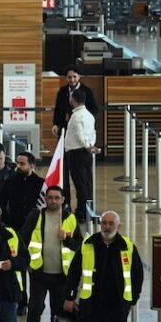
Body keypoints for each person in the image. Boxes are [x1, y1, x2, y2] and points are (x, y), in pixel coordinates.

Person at [21, 186, 82, 322]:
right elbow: (23, 239)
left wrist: (67, 238)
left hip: (62, 275)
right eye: (50, 198)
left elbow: (79, 245)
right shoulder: (36, 216)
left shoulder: (70, 219)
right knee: (35, 308)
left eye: (57, 198)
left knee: (58, 311)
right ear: (45, 199)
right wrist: (27, 262)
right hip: (39, 272)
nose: (53, 201)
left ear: (63, 199)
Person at [64, 89, 98, 223]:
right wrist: (90, 145)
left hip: (77, 152)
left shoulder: (76, 116)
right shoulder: (89, 115)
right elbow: (92, 132)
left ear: (73, 100)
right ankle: (87, 209)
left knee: (80, 184)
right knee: (87, 183)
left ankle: (82, 212)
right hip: (86, 152)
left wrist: (86, 145)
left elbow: (79, 133)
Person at [0, 151, 44, 231]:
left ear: (31, 166)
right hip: (14, 226)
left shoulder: (41, 183)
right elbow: (1, 203)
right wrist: (5, 221)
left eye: (22, 164)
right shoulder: (9, 182)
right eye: (17, 163)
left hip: (35, 226)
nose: (18, 166)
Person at [52, 65, 99, 137]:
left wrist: (85, 120)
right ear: (66, 78)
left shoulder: (86, 91)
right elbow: (58, 109)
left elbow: (94, 109)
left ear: (79, 77)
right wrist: (55, 124)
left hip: (81, 128)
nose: (72, 80)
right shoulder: (62, 91)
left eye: (74, 77)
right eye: (69, 77)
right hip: (65, 127)